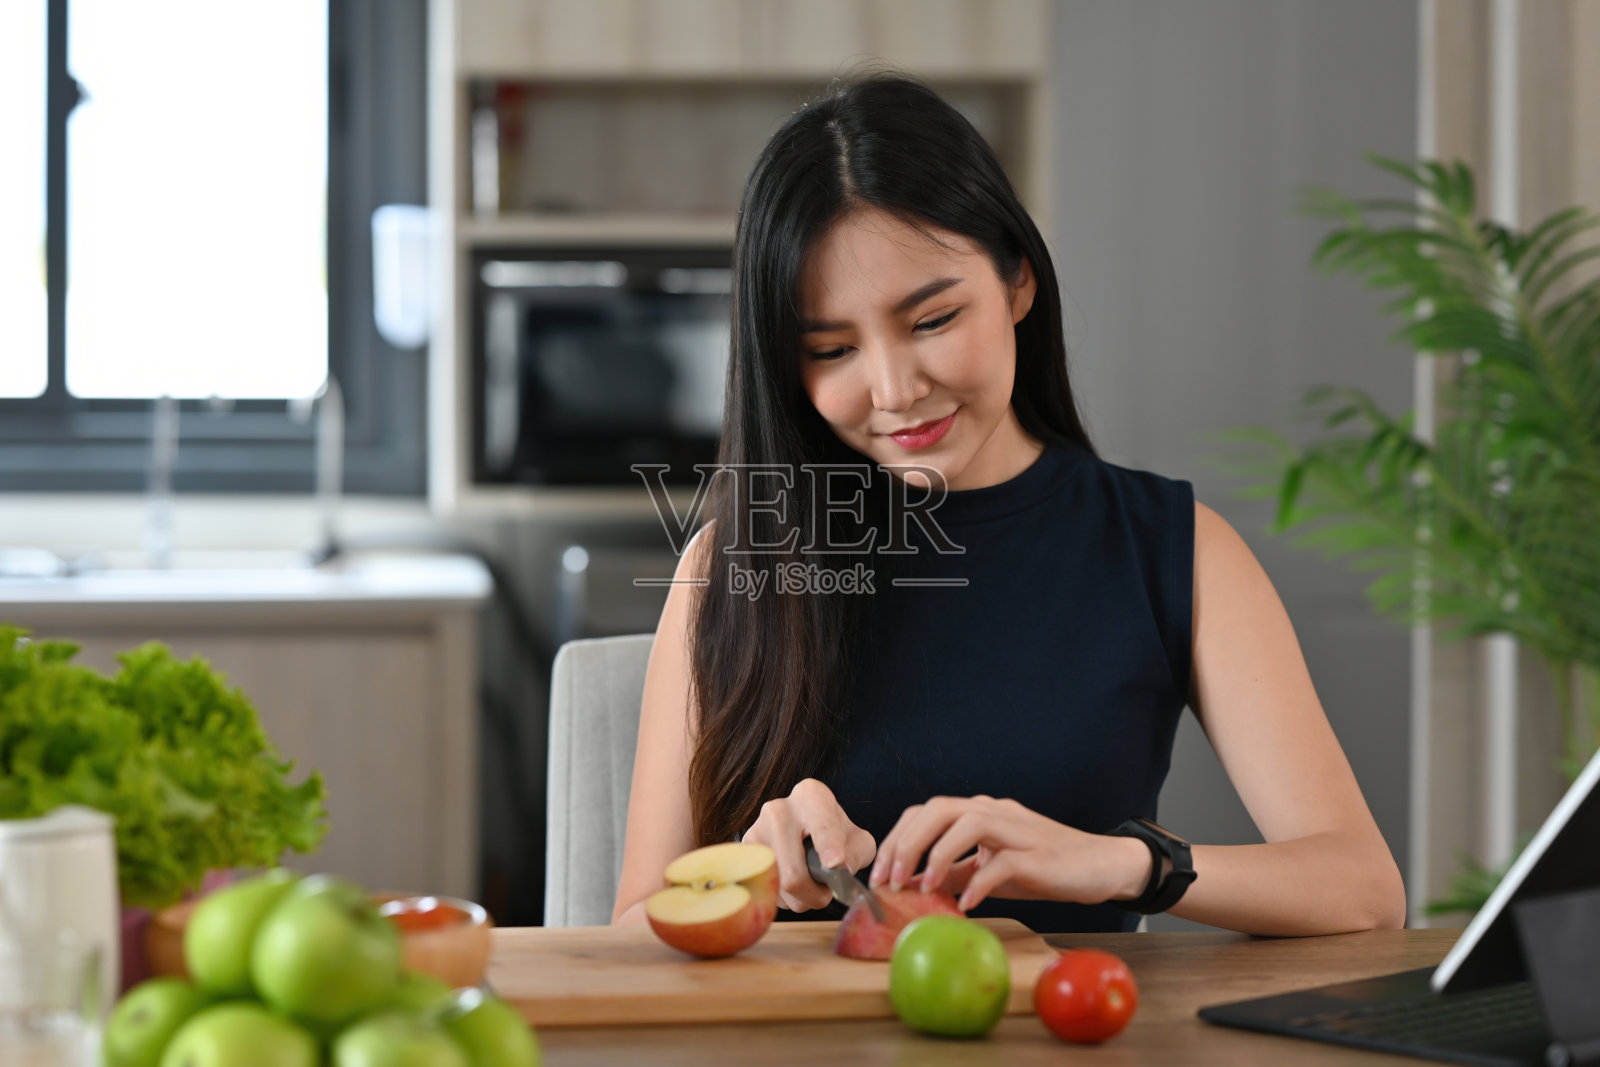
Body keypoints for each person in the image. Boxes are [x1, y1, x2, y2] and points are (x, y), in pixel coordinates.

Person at [611, 74, 1405, 936]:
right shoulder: (735, 565)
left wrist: (1116, 861)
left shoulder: (1171, 551)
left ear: (1018, 281)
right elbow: (627, 931)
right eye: (833, 348)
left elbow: (1363, 889)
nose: (892, 388)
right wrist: (749, 880)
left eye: (932, 320)